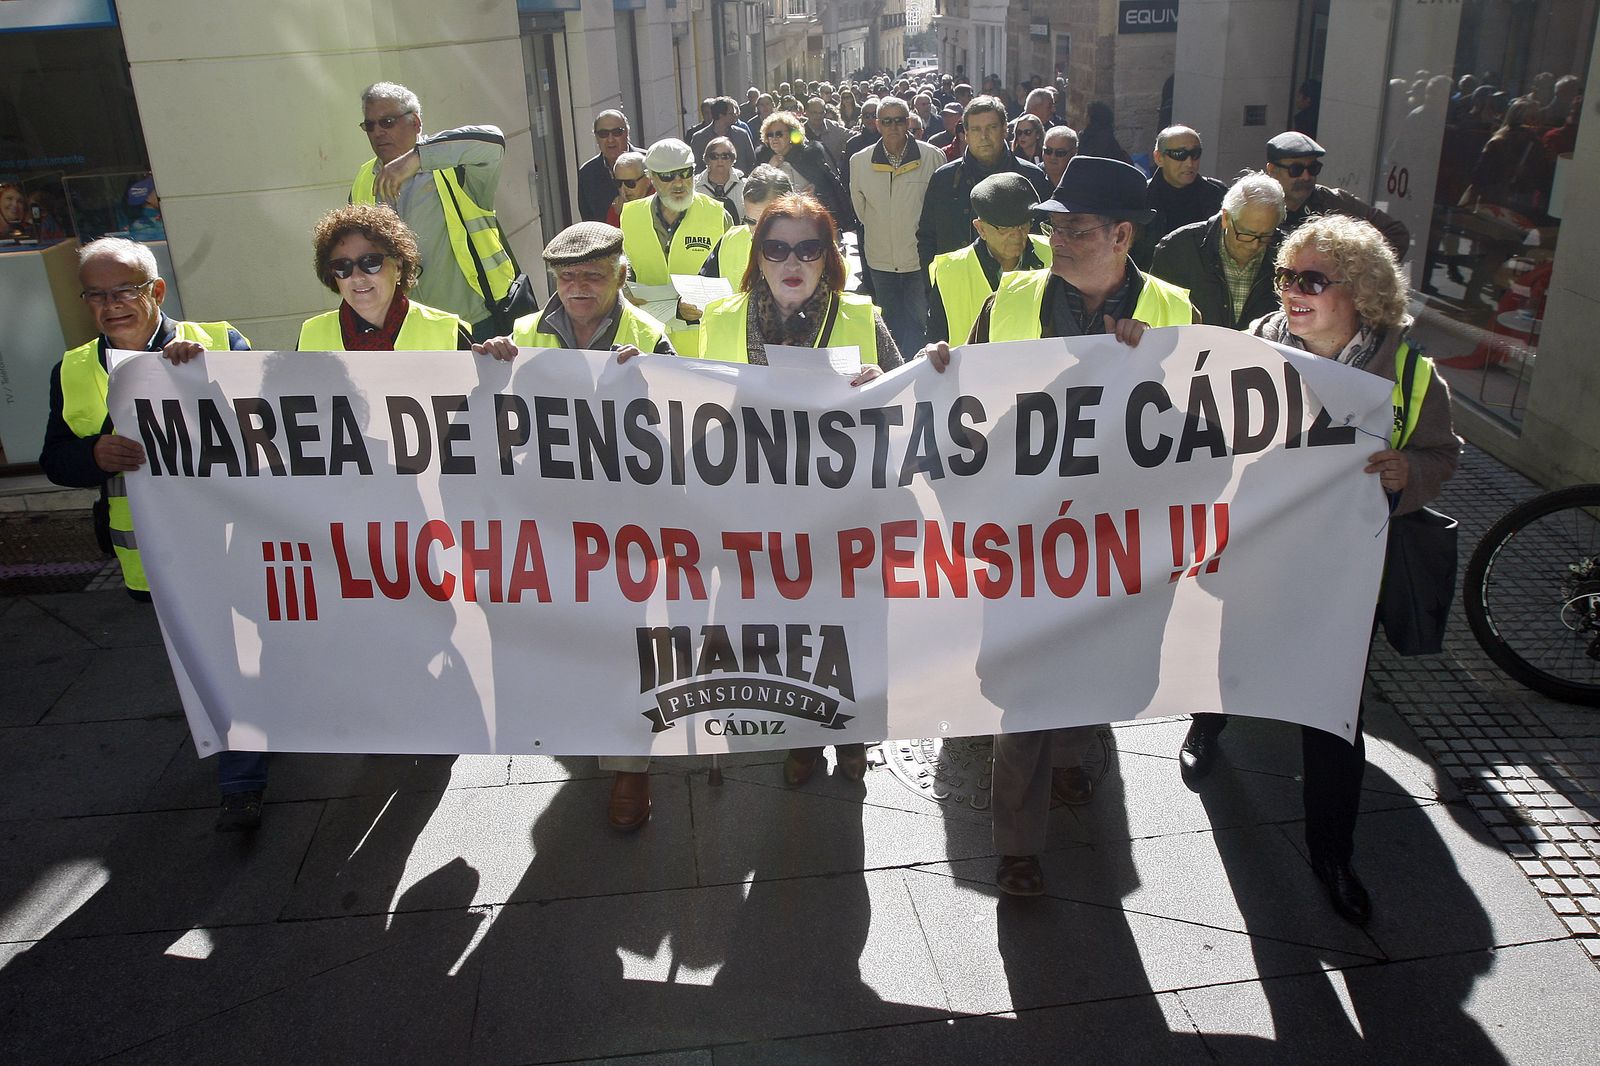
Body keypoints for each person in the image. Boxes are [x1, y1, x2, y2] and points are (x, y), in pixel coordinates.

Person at [917, 157, 1195, 896]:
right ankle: (1017, 845)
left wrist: (1156, 373)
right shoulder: (1010, 298)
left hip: (1117, 540)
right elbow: (962, 388)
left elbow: (1204, 432)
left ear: (1123, 234)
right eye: (1053, 227)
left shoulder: (1174, 311)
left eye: (1076, 229)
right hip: (1026, 530)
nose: (1057, 241)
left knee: (1099, 668)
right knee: (1025, 684)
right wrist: (940, 365)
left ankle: (1073, 754)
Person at [1179, 214, 1460, 924]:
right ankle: (1208, 725)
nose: (1292, 293)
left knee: (1332, 711)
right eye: (1285, 278)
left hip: (1343, 576)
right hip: (1256, 554)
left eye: (1311, 280)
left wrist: (1409, 472)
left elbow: (1441, 455)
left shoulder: (1408, 372)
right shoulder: (1253, 350)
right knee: (1227, 653)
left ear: (1360, 294)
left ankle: (1331, 851)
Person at [39, 238, 261, 831]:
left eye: (124, 292)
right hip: (154, 561)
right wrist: (94, 454)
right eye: (96, 296)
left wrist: (211, 380)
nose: (111, 306)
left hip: (237, 545)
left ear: (156, 292)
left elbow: (268, 430)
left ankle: (245, 771)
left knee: (247, 653)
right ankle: (243, 772)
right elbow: (56, 459)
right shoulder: (74, 369)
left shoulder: (218, 341)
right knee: (211, 662)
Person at [349, 81, 513, 340]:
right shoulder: (364, 179)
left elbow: (493, 140)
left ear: (415, 123)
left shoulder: (456, 168)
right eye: (370, 126)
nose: (378, 132)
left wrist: (417, 157)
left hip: (474, 321)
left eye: (387, 122)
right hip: (409, 328)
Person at [299, 203, 472, 351]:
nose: (357, 276)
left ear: (398, 267)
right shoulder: (310, 335)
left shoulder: (448, 332)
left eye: (370, 262)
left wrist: (497, 358)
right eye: (342, 266)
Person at [849, 96, 945, 354]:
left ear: (908, 122)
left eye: (899, 120)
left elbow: (938, 209)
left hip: (917, 259)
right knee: (888, 323)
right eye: (887, 121)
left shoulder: (933, 157)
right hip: (880, 259)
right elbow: (861, 210)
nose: (893, 127)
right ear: (878, 125)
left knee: (919, 322)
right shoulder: (859, 161)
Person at [619, 138, 734, 352]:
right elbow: (622, 278)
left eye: (686, 173)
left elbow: (735, 283)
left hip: (703, 347)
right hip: (649, 342)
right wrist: (624, 295)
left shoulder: (718, 216)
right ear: (651, 177)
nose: (679, 183)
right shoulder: (630, 217)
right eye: (668, 176)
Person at [916, 95, 1052, 271]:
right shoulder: (944, 179)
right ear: (966, 134)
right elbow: (927, 237)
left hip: (1022, 284)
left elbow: (1044, 235)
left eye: (991, 127)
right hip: (958, 284)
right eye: (976, 129)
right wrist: (934, 289)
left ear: (1005, 129)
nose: (984, 136)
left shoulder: (1032, 177)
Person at [1151, 170, 1286, 330]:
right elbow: (1156, 314)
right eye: (1246, 234)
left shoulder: (1286, 255)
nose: (1254, 245)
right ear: (1225, 218)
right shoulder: (1178, 249)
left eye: (1265, 235)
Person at [927, 173, 1052, 345]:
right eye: (1004, 229)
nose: (1017, 236)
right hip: (972, 370)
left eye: (1024, 225)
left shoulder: (1055, 254)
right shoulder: (950, 271)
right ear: (980, 229)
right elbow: (937, 341)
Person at [1265, 131, 1410, 261]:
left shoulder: (1333, 201)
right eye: (1296, 169)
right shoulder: (1255, 205)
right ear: (1272, 169)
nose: (1306, 176)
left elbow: (1396, 233)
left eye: (1313, 168)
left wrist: (1364, 274)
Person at [1133, 125, 1227, 268]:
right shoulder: (1138, 197)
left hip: (1202, 283)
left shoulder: (1217, 194)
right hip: (1153, 281)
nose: (1189, 163)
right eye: (1179, 155)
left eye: (1195, 154)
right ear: (1159, 158)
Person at [757, 111, 853, 231]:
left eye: (779, 134)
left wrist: (815, 192)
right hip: (780, 225)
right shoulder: (763, 160)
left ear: (792, 134)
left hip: (812, 222)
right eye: (770, 135)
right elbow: (757, 193)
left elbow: (830, 188)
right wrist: (769, 167)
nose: (774, 138)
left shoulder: (809, 156)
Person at [700, 164, 794, 284]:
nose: (757, 231)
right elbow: (704, 287)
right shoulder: (729, 240)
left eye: (766, 222)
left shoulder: (811, 250)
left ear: (791, 211)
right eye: (750, 221)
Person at [579, 110, 638, 223]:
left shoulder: (648, 162)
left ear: (627, 133)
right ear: (596, 137)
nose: (610, 139)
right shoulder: (587, 174)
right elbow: (589, 223)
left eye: (617, 132)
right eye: (603, 134)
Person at [691, 97, 757, 174]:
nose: (735, 115)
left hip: (740, 182)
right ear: (720, 115)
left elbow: (752, 162)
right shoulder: (699, 138)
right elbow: (696, 166)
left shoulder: (742, 135)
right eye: (731, 113)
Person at [693, 137, 747, 223]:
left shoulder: (745, 186)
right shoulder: (694, 186)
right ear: (707, 159)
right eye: (714, 156)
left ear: (732, 159)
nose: (720, 160)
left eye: (725, 156)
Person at [606, 151, 653, 227]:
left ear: (648, 180)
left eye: (630, 183)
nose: (623, 190)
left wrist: (627, 213)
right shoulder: (617, 207)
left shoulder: (661, 202)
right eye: (618, 183)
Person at [804, 96, 851, 171]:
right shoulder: (800, 131)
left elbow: (852, 136)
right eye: (814, 113)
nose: (818, 116)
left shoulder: (833, 127)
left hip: (830, 179)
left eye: (821, 113)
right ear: (806, 112)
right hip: (808, 179)